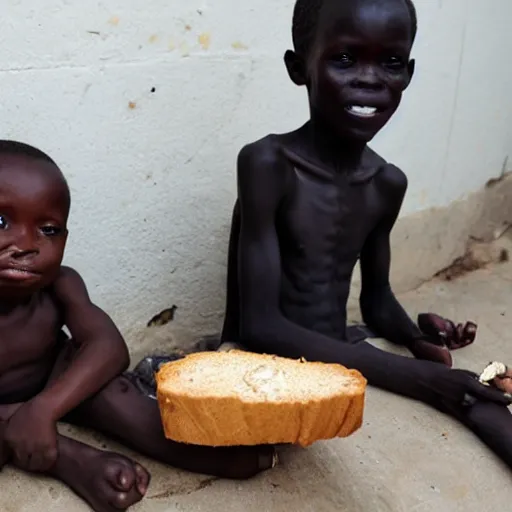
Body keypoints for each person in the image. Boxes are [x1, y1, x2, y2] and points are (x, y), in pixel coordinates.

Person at [220, 0, 512, 468]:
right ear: (300, 68)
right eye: (345, 59)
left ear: (409, 73)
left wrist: (415, 338)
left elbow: (376, 299)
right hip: (266, 364)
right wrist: (419, 376)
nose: (370, 79)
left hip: (342, 353)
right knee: (450, 392)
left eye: (391, 62)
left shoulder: (385, 183)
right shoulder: (268, 165)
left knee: (477, 396)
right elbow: (260, 326)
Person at [0, 141, 276, 512]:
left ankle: (205, 448)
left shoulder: (60, 284)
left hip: (53, 384)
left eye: (49, 230)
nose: (26, 245)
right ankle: (69, 457)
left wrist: (46, 407)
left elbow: (109, 347)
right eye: (1, 221)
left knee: (116, 392)